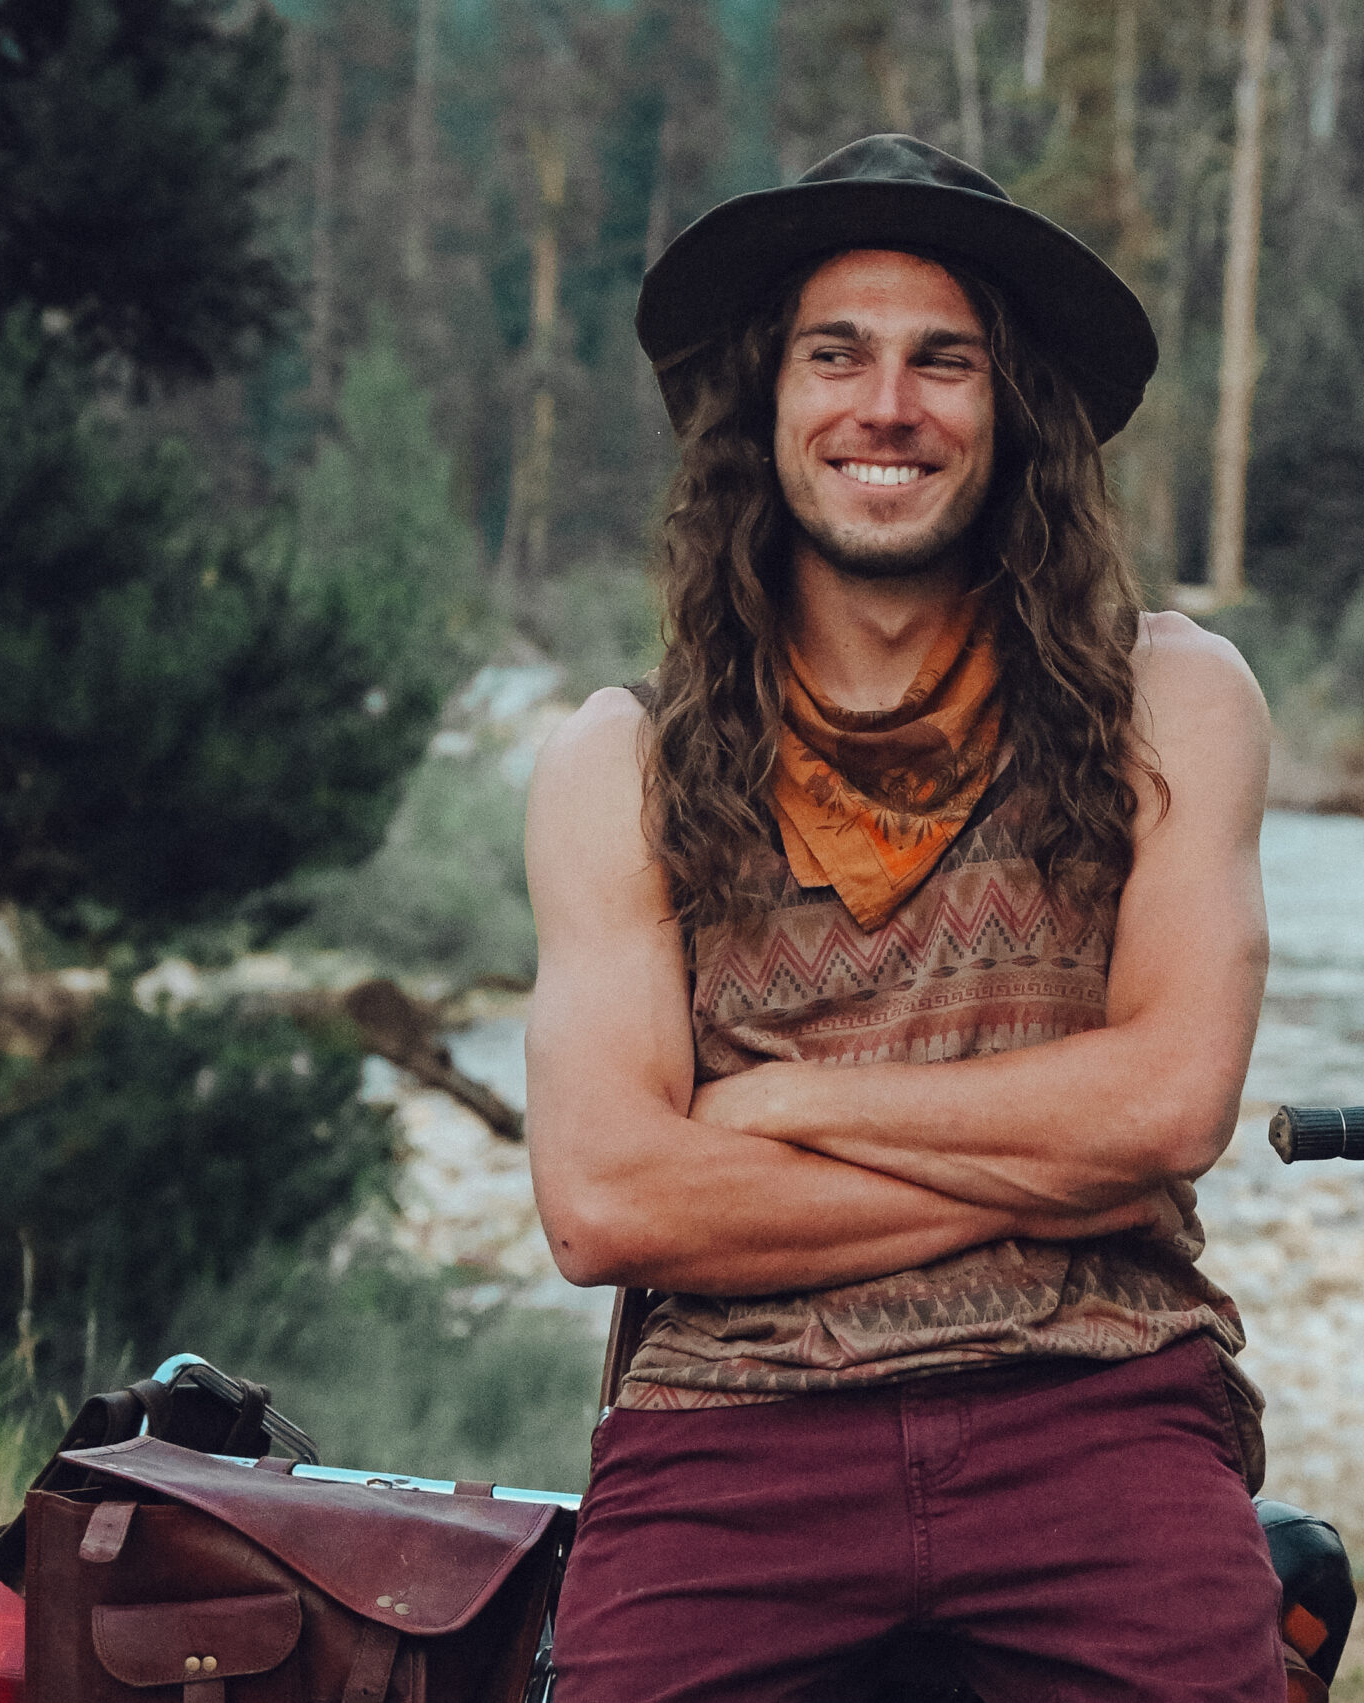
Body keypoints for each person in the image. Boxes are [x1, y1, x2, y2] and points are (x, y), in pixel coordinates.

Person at [523, 135, 1288, 1702]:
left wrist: (787, 1105)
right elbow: (606, 1202)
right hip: (731, 1437)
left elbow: (1166, 1107)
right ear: (765, 403)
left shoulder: (1170, 701)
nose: (888, 405)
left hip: (1098, 1408)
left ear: (1014, 414)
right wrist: (1050, 1177)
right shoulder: (621, 763)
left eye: (945, 360)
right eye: (837, 355)